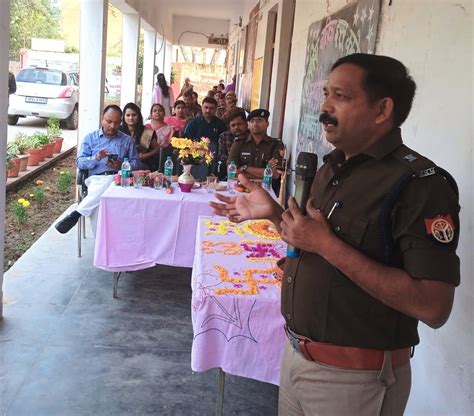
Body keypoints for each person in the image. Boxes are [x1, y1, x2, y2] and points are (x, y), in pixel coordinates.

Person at [209, 53, 460, 415]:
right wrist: (274, 213)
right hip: (296, 356)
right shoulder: (332, 168)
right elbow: (309, 241)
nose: (325, 107)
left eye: (340, 96)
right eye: (326, 94)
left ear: (382, 109)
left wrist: (327, 246)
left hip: (355, 379)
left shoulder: (418, 185)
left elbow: (433, 307)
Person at [55, 105, 139, 234]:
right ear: (102, 119)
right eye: (109, 121)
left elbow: (136, 163)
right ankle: (101, 241)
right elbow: (79, 163)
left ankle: (77, 214)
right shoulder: (90, 139)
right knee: (102, 194)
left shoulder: (127, 140)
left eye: (116, 123)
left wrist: (122, 165)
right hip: (96, 179)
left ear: (121, 122)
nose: (112, 126)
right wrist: (96, 158)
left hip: (120, 180)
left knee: (103, 195)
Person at [227, 109, 282, 182]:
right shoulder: (239, 143)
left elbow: (275, 174)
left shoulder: (275, 144)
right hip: (241, 186)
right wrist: (266, 172)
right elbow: (231, 172)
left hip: (266, 187)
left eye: (259, 120)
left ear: (267, 124)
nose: (255, 124)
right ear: (248, 125)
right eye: (252, 121)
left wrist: (245, 168)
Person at [184, 96, 227, 178]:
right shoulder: (193, 123)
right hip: (197, 157)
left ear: (216, 109)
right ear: (202, 107)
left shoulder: (220, 124)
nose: (208, 110)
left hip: (214, 158)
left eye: (211, 108)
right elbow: (187, 141)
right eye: (206, 107)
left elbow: (223, 143)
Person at [120, 102, 160, 171]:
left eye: (134, 115)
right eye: (128, 115)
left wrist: (144, 156)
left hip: (141, 164)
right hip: (121, 163)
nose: (131, 118)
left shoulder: (147, 132)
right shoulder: (119, 131)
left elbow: (157, 149)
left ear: (138, 116)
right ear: (123, 116)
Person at [216, 109, 249, 180]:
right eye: (233, 125)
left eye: (239, 124)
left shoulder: (251, 136)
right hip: (229, 174)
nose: (236, 127)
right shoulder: (224, 136)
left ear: (246, 124)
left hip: (249, 175)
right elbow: (222, 157)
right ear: (229, 127)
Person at [144, 103, 174, 172]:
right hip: (148, 157)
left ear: (164, 113)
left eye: (160, 110)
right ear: (151, 114)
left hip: (164, 158)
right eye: (155, 111)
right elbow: (144, 146)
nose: (157, 112)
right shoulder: (146, 127)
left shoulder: (170, 129)